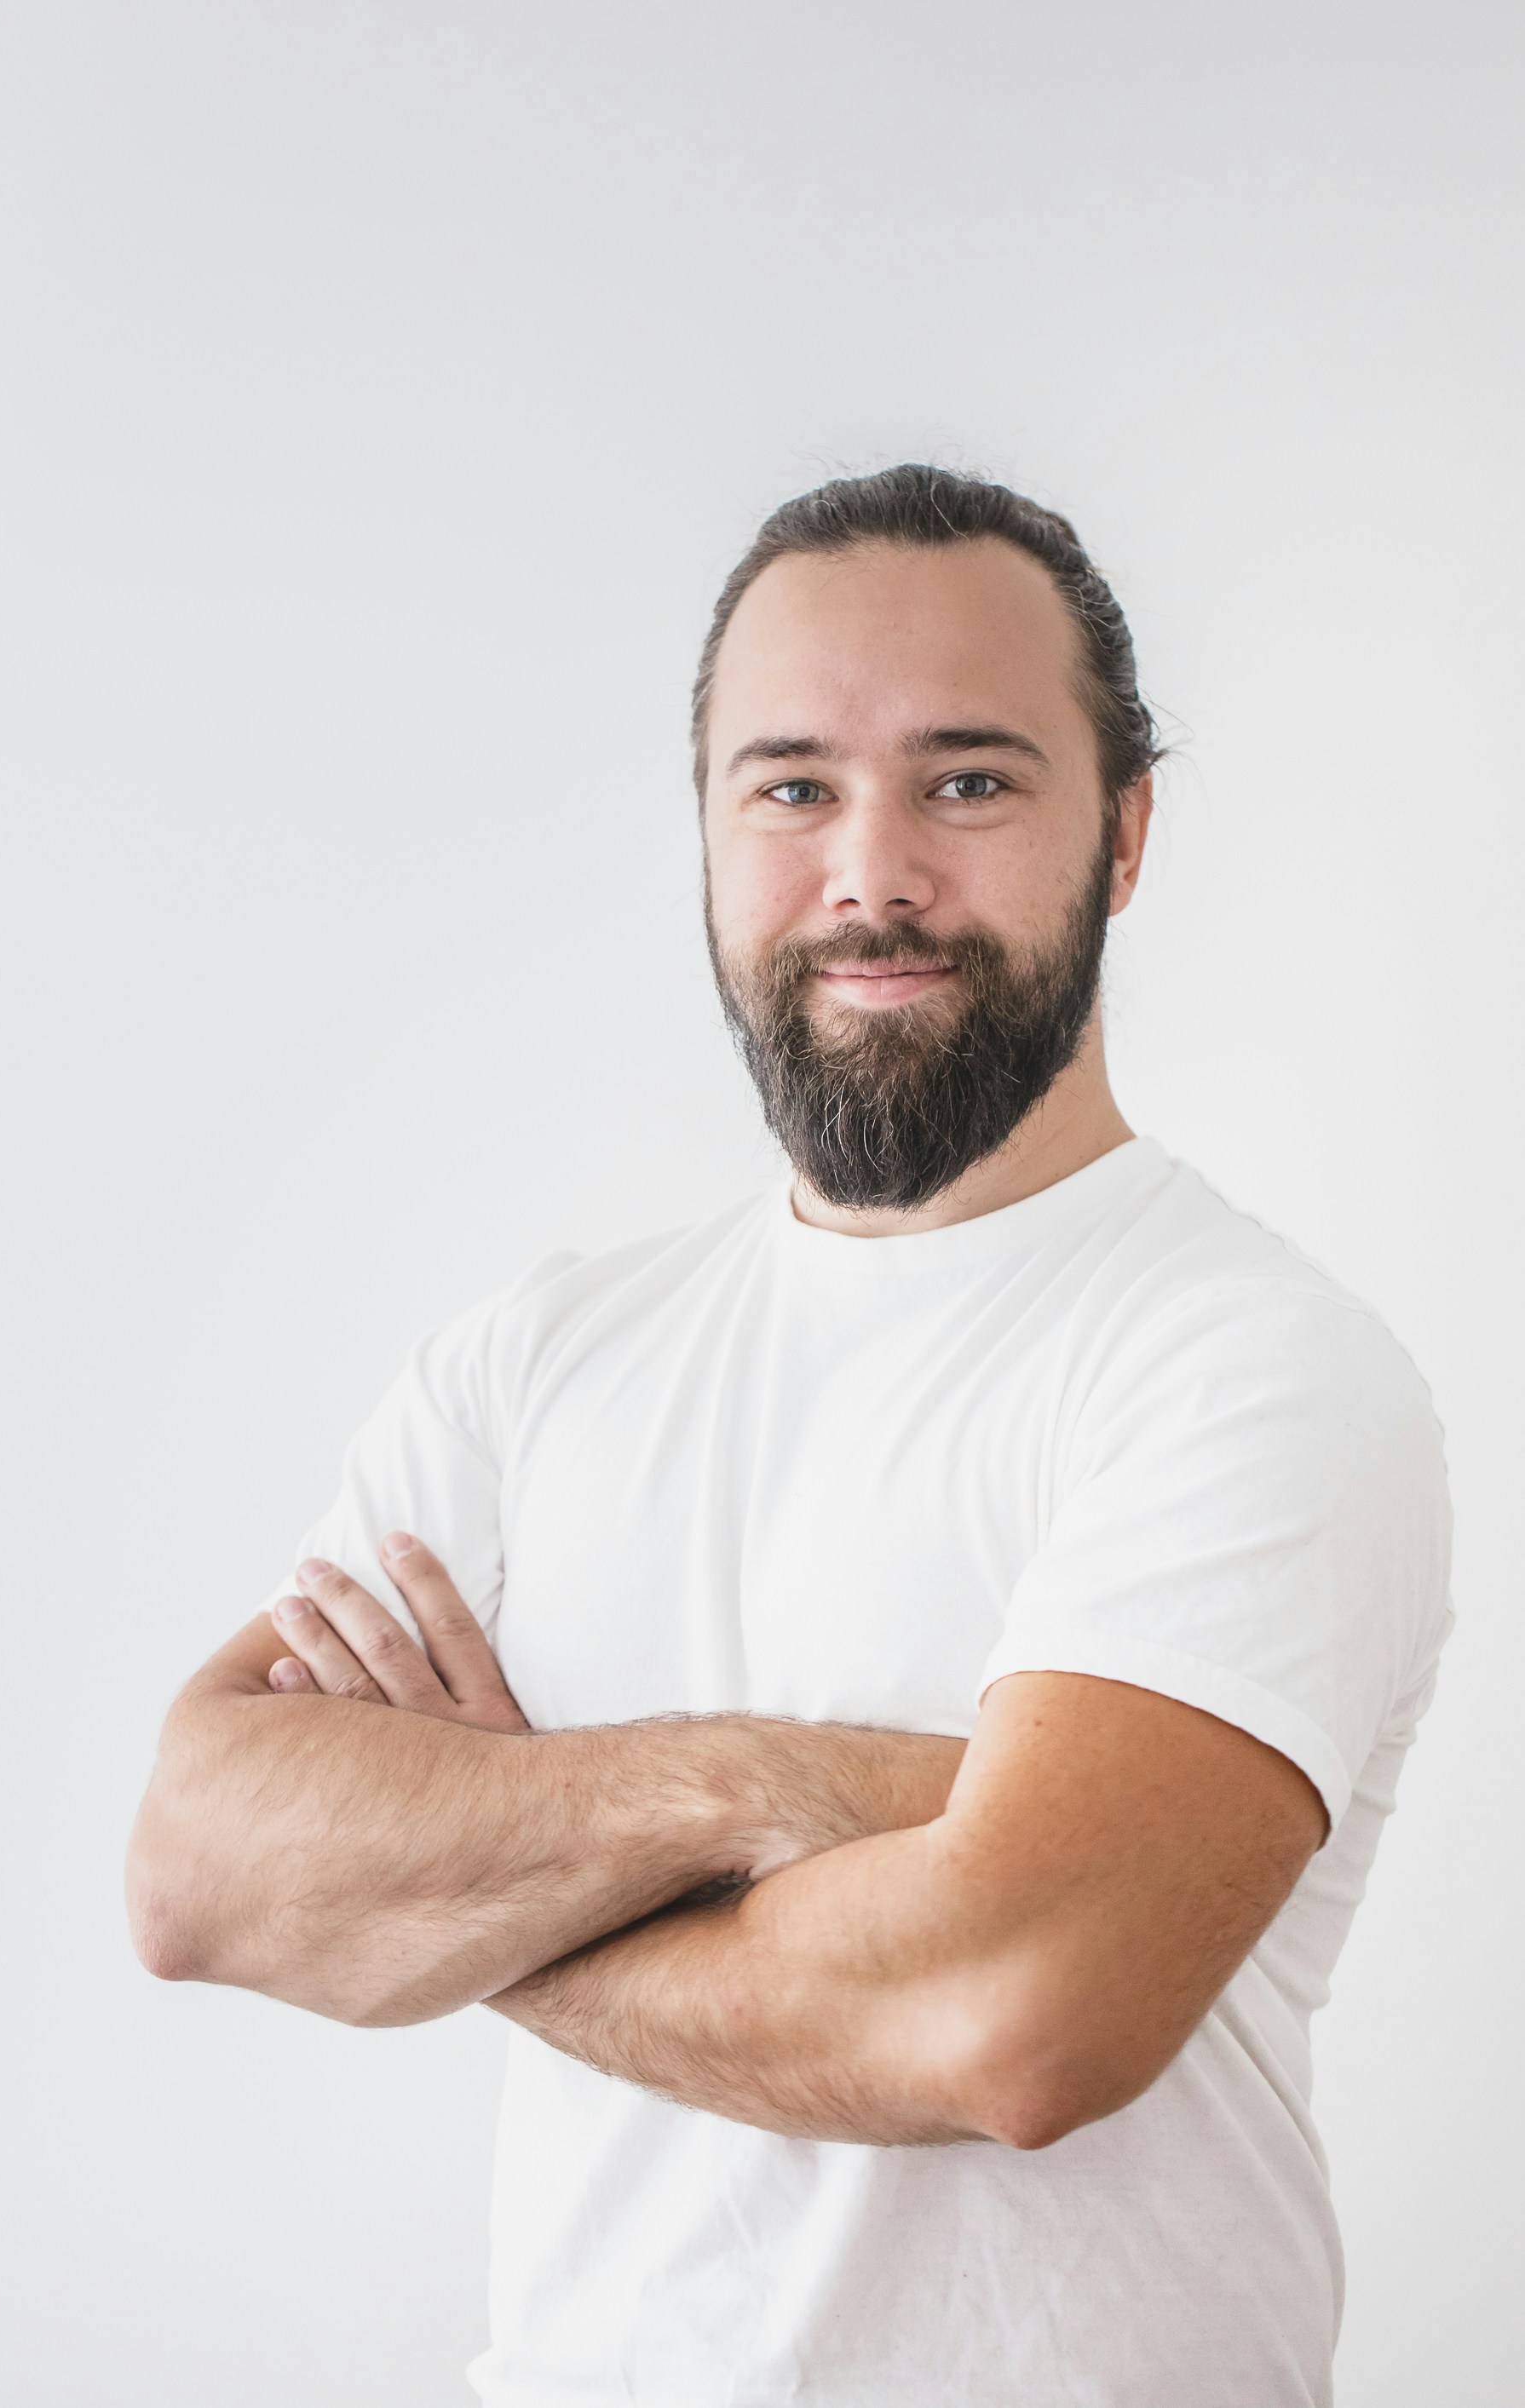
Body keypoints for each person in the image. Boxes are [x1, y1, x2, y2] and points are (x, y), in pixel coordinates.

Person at [127, 465, 1453, 2408]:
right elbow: (199, 1872)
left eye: (971, 781)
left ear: (1129, 831)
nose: (872, 875)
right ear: (708, 830)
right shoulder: (541, 1354)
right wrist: (769, 1789)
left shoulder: (1249, 1366)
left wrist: (465, 1895)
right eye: (793, 787)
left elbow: (1011, 2021)